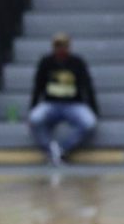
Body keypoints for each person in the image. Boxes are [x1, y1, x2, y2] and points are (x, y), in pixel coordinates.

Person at [28, 32, 99, 165]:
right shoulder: (46, 62)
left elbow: (87, 86)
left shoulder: (77, 62)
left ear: (68, 47)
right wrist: (33, 107)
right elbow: (38, 86)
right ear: (53, 47)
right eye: (58, 46)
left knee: (90, 122)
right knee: (34, 118)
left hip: (74, 104)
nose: (61, 49)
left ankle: (60, 149)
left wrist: (94, 108)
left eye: (63, 46)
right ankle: (51, 149)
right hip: (51, 103)